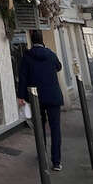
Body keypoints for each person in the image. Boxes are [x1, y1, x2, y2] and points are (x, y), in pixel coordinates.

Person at [17, 30, 64, 172]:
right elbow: (59, 67)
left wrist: (21, 96)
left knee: (40, 125)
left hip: (36, 97)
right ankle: (56, 161)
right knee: (55, 128)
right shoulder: (50, 54)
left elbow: (22, 78)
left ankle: (42, 153)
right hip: (53, 96)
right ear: (42, 40)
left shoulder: (27, 57)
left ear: (31, 40)